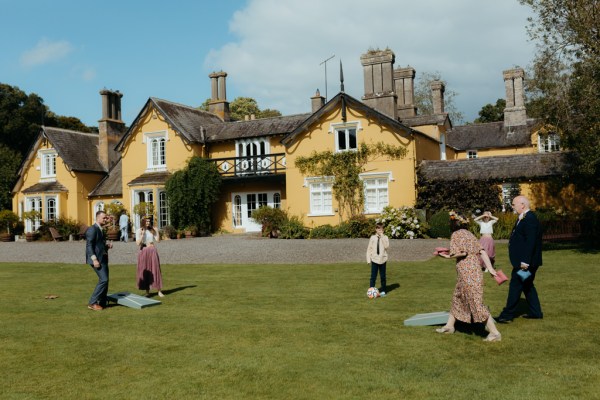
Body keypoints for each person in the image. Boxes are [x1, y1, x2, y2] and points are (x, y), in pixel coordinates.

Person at [436, 212, 502, 342]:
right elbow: (482, 251)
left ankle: (494, 333)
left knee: (475, 302)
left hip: (466, 272)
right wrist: (490, 269)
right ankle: (450, 326)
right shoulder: (469, 234)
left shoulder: (455, 234)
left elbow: (462, 252)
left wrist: (447, 255)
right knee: (458, 297)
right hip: (474, 271)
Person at [497, 195, 543, 322]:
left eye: (514, 204)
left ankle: (507, 315)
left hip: (526, 263)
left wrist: (525, 262)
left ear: (522, 205)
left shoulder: (530, 219)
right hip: (524, 261)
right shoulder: (524, 218)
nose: (512, 206)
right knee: (527, 285)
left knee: (516, 285)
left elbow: (531, 242)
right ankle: (536, 312)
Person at [85, 210, 113, 311]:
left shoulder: (101, 229)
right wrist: (94, 259)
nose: (106, 219)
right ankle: (92, 303)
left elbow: (98, 244)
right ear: (97, 218)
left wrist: (107, 246)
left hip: (103, 258)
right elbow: (89, 245)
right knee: (104, 279)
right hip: (97, 260)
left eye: (106, 218)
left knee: (106, 280)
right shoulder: (92, 229)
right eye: (104, 218)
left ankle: (102, 301)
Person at [136, 216, 164, 297]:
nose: (148, 223)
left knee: (155, 269)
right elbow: (138, 243)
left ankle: (159, 291)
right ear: (142, 222)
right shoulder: (139, 231)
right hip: (143, 251)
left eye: (149, 221)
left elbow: (158, 241)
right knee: (146, 270)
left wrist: (157, 231)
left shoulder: (152, 230)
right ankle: (147, 292)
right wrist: (142, 234)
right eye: (146, 221)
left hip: (152, 250)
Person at [366, 222, 389, 296]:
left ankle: (383, 291)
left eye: (381, 229)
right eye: (378, 229)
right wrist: (368, 259)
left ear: (383, 230)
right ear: (376, 229)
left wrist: (382, 236)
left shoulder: (385, 237)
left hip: (383, 259)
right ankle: (371, 290)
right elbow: (369, 249)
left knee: (383, 276)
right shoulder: (372, 237)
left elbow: (386, 247)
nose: (380, 230)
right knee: (373, 276)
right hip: (374, 259)